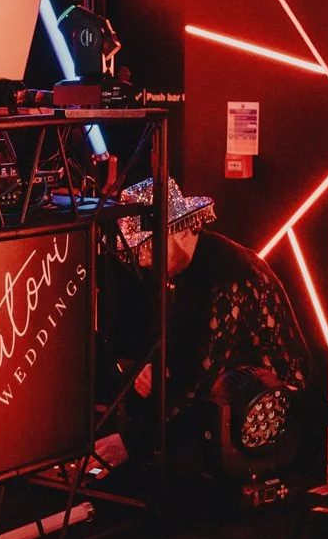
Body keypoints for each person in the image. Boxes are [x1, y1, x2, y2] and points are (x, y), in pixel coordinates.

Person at [97, 177, 314, 470]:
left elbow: (201, 378)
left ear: (186, 229)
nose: (144, 260)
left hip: (271, 427)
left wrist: (132, 441)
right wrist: (150, 369)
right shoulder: (189, 268)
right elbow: (178, 348)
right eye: (139, 251)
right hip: (230, 415)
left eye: (150, 247)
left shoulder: (229, 277)